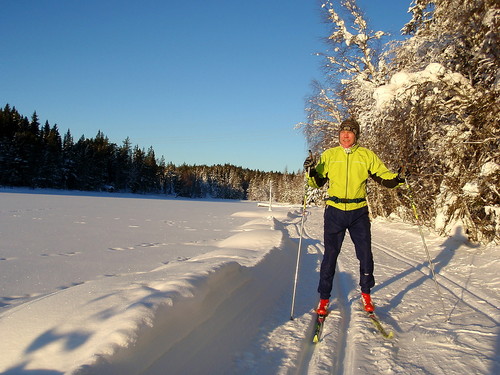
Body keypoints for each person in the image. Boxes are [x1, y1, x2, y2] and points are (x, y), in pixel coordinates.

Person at [303, 118, 407, 315]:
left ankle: (366, 293)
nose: (346, 135)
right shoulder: (330, 155)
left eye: (350, 132)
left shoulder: (366, 155)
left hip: (358, 212)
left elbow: (384, 176)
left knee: (365, 254)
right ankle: (324, 298)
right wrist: (309, 170)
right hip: (334, 211)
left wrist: (398, 179)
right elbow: (316, 182)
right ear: (339, 134)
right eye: (343, 132)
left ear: (356, 135)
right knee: (330, 256)